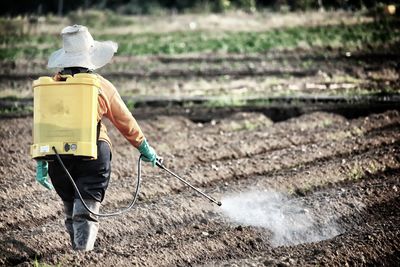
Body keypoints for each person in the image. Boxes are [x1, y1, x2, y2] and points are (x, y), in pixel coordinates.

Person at [34, 25, 158, 251]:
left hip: (58, 157)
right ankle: (83, 255)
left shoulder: (51, 87)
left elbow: (43, 126)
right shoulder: (100, 86)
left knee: (70, 210)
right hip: (92, 154)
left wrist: (41, 162)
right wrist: (145, 148)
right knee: (86, 211)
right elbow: (125, 121)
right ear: (90, 56)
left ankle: (76, 253)